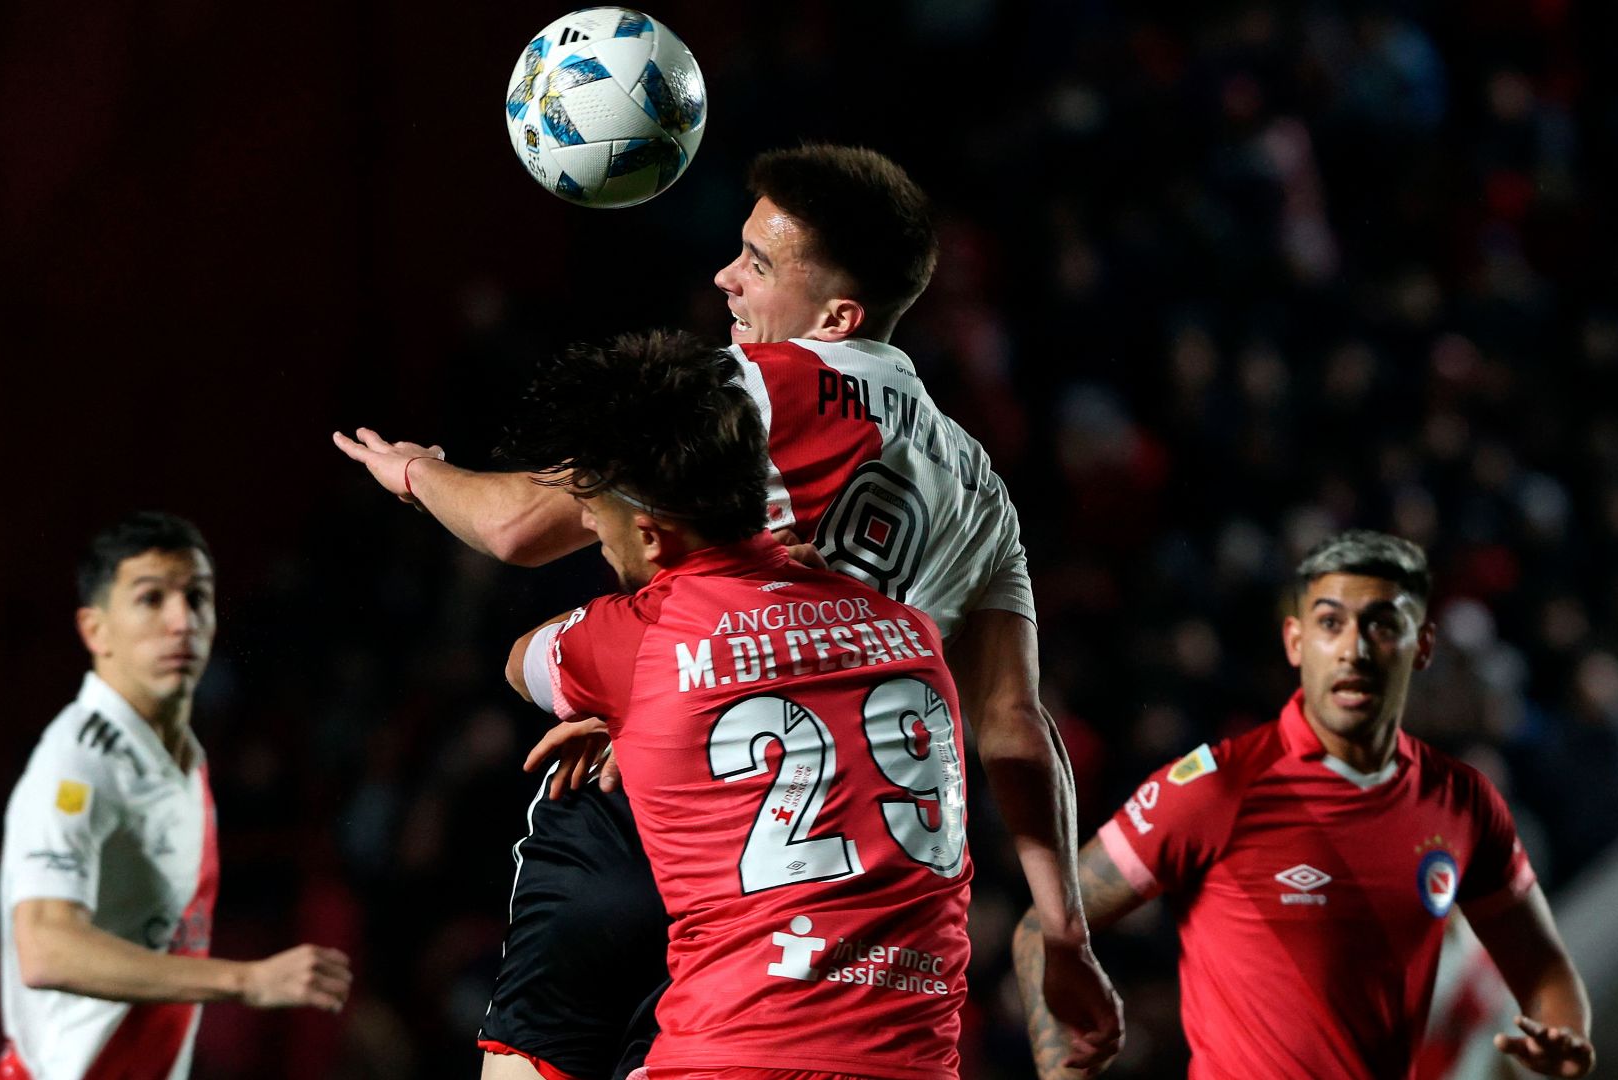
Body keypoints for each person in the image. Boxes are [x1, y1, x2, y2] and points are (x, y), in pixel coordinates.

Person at [333, 145, 1119, 1078]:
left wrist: (415, 475)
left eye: (757, 262)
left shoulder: (746, 388)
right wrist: (1064, 929)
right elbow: (1015, 727)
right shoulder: (982, 487)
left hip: (668, 816)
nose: (725, 278)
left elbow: (519, 527)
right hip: (839, 882)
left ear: (838, 316)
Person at [502, 328, 974, 1080]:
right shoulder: (912, 633)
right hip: (917, 1063)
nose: (588, 527)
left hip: (736, 1051)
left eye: (594, 512)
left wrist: (625, 706)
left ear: (650, 536)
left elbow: (524, 661)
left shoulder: (639, 636)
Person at [1013, 530, 1596, 1079]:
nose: (1354, 650)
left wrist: (1559, 1037)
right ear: (1296, 642)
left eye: (1381, 625)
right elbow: (1044, 928)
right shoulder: (1216, 789)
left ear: (1420, 647)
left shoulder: (1464, 802)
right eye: (1331, 624)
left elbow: (1545, 973)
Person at [0, 512, 353, 1080]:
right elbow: (44, 948)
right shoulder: (76, 763)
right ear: (95, 630)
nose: (182, 621)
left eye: (197, 597)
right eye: (150, 598)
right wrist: (246, 980)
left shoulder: (184, 756)